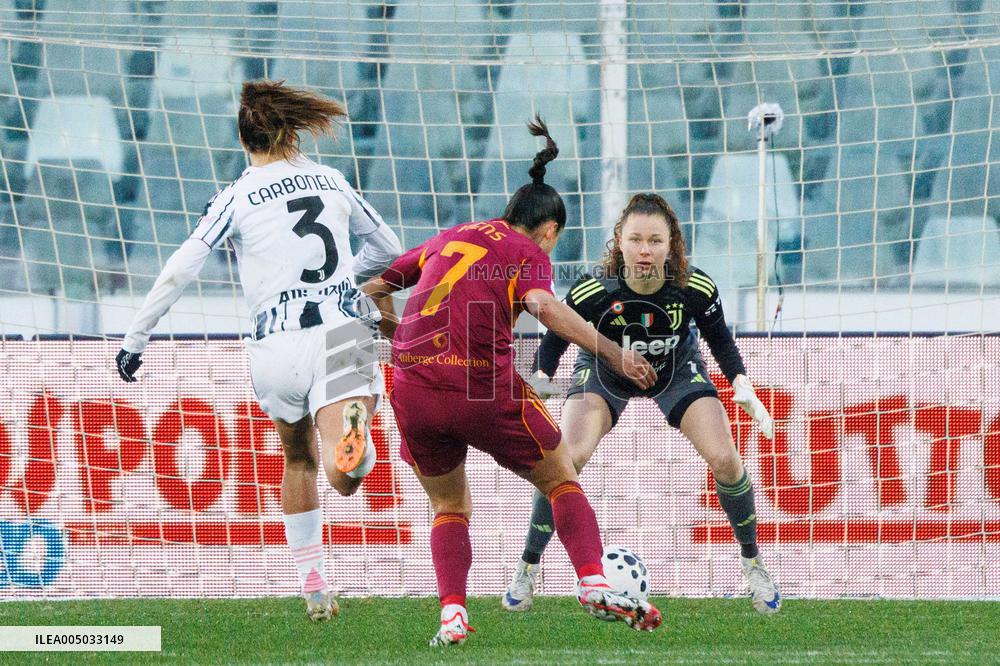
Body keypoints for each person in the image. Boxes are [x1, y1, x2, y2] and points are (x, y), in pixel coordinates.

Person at [361, 118, 663, 646]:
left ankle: (452, 614)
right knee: (560, 476)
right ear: (549, 231)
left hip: (411, 386)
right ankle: (592, 579)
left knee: (449, 506)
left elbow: (373, 287)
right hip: (480, 387)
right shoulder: (527, 255)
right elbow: (544, 306)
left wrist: (397, 330)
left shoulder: (452, 236)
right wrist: (614, 352)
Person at [115, 80, 401, 622]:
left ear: (245, 141)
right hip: (342, 332)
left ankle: (312, 581)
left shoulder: (237, 194)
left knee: (298, 460)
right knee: (346, 476)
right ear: (292, 132)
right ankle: (359, 432)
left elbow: (182, 266)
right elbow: (388, 250)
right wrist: (343, 284)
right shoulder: (332, 179)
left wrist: (135, 338)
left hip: (274, 346)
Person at [502, 192, 782, 615]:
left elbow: (719, 339)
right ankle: (528, 567)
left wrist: (740, 381)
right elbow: (556, 336)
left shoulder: (695, 287)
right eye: (635, 240)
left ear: (672, 245)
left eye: (655, 240)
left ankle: (752, 563)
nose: (645, 250)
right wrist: (541, 377)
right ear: (620, 242)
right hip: (604, 371)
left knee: (727, 460)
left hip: (674, 370)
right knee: (565, 460)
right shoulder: (594, 289)